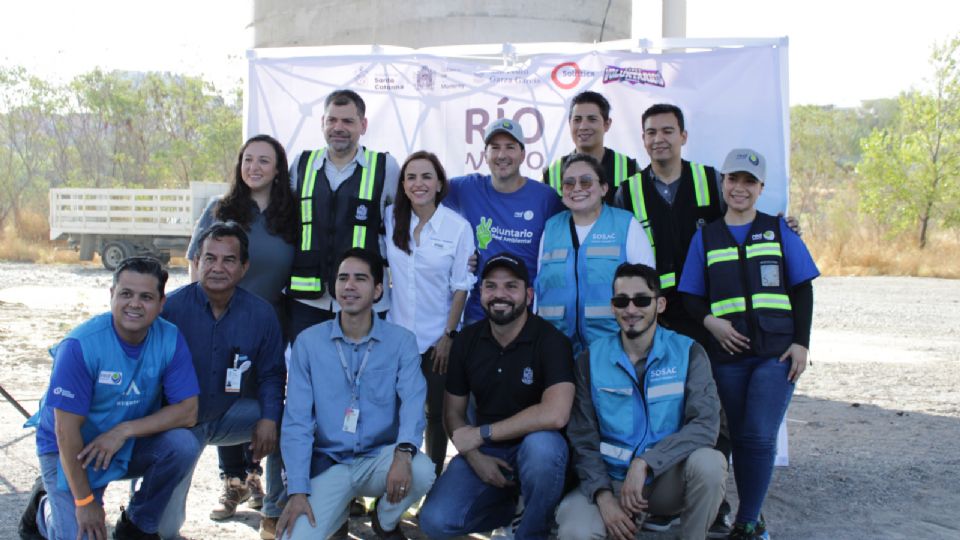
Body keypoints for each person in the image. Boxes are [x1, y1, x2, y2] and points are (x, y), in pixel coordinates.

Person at [679, 149, 819, 540]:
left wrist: (801, 344)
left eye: (749, 182)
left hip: (776, 354)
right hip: (728, 356)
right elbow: (690, 296)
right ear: (723, 183)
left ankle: (749, 522)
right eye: (733, 180)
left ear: (761, 188)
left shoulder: (779, 230)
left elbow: (802, 288)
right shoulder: (705, 237)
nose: (740, 188)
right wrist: (712, 324)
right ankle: (745, 515)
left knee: (758, 435)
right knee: (737, 435)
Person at [19, 256, 200, 540]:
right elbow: (65, 431)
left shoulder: (170, 338)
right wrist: (84, 502)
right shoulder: (80, 346)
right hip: (71, 448)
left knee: (183, 445)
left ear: (162, 303)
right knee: (80, 534)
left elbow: (188, 412)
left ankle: (138, 525)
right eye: (126, 294)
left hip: (122, 442)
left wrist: (123, 430)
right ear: (112, 295)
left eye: (146, 297)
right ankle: (43, 510)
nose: (134, 304)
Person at [557, 262, 727, 540]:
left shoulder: (689, 352)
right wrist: (603, 498)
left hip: (664, 479)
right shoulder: (590, 359)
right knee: (576, 532)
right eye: (621, 301)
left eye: (642, 300)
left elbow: (706, 425)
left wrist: (645, 462)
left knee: (710, 464)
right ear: (612, 307)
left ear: (660, 304)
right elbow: (582, 437)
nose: (631, 309)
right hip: (609, 481)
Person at [276, 248, 434, 540]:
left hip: (379, 459)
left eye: (360, 279)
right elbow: (296, 421)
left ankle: (384, 521)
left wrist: (403, 453)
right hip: (329, 463)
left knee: (422, 470)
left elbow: (413, 401)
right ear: (334, 287)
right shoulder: (308, 344)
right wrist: (297, 490)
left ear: (377, 290)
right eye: (343, 278)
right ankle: (335, 515)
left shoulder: (401, 342)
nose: (349, 286)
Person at [418, 253, 575, 540]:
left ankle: (532, 530)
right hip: (487, 451)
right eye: (491, 286)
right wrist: (475, 456)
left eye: (510, 287)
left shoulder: (551, 340)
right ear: (480, 294)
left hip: (535, 448)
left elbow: (556, 413)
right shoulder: (467, 340)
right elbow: (453, 413)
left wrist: (482, 433)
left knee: (543, 449)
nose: (499, 295)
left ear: (528, 295)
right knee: (434, 521)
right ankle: (510, 508)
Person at [186, 134, 295, 526]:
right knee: (225, 392)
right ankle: (232, 481)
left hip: (272, 320)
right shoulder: (221, 208)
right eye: (248, 160)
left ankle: (256, 477)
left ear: (278, 168)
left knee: (264, 397)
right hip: (223, 319)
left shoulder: (291, 214)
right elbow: (195, 261)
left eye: (264, 161)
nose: (255, 167)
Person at [159, 221, 286, 540]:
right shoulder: (170, 310)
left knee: (292, 420)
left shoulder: (260, 314)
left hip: (232, 415)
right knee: (163, 530)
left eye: (228, 260)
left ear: (244, 267)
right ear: (197, 262)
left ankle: (275, 515)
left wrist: (269, 418)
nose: (217, 267)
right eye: (209, 258)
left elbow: (272, 374)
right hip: (181, 425)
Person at [384, 150, 476, 478]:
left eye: (426, 177)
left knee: (434, 417)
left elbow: (461, 287)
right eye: (411, 177)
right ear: (403, 185)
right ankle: (386, 482)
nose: (418, 183)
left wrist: (448, 336)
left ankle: (430, 483)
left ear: (439, 184)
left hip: (437, 340)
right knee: (391, 413)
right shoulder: (390, 218)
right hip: (395, 337)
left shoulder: (458, 228)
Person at [286, 89, 400, 339]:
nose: (338, 127)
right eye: (332, 120)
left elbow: (406, 224)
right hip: (308, 301)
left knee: (363, 375)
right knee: (311, 374)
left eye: (347, 121)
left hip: (364, 300)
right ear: (322, 123)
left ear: (363, 125)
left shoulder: (385, 168)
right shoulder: (301, 164)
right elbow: (281, 219)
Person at [614, 103, 724, 345]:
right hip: (657, 314)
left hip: (710, 307)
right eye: (651, 133)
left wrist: (781, 225)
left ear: (683, 137)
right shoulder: (628, 191)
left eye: (667, 131)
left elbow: (742, 220)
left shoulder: (711, 179)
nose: (659, 139)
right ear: (643, 139)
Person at [445, 118, 565, 324]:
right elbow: (425, 194)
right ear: (485, 155)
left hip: (527, 317)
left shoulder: (546, 198)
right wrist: (455, 253)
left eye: (510, 147)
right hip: (479, 316)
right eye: (495, 148)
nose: (502, 155)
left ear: (522, 154)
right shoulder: (467, 188)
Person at [535, 153, 654, 354]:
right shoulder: (551, 228)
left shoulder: (626, 225)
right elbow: (540, 290)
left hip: (614, 349)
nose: (577, 188)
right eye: (569, 183)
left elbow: (648, 291)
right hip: (556, 349)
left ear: (604, 188)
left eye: (586, 181)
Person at [543, 91, 639, 204]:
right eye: (577, 120)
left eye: (592, 119)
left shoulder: (630, 168)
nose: (583, 127)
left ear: (607, 124)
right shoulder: (552, 173)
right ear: (570, 124)